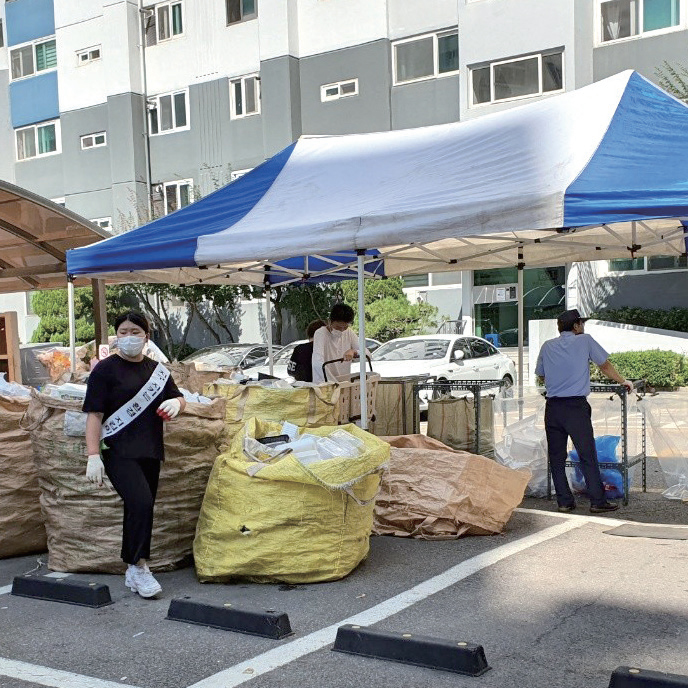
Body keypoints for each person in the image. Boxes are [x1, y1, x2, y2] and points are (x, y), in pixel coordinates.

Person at [82, 311, 186, 598]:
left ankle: (132, 567)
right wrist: (92, 455)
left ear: (146, 337)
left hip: (150, 450)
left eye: (135, 332)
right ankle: (140, 567)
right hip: (117, 451)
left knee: (141, 507)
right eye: (123, 332)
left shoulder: (157, 371)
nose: (128, 337)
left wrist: (178, 404)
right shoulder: (104, 370)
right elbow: (94, 414)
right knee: (140, 502)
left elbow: (178, 396)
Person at [535, 309, 633, 514]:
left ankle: (564, 501)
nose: (583, 327)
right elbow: (604, 365)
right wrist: (623, 381)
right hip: (575, 408)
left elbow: (542, 375)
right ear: (576, 325)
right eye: (582, 323)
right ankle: (597, 501)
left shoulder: (547, 346)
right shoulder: (585, 340)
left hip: (553, 407)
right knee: (587, 454)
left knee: (556, 456)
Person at [311, 304, 362, 383]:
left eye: (345, 327)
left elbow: (367, 354)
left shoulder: (349, 333)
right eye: (338, 327)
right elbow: (318, 363)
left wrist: (353, 351)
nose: (341, 330)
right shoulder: (320, 333)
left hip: (344, 382)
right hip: (324, 383)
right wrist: (334, 383)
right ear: (329, 321)